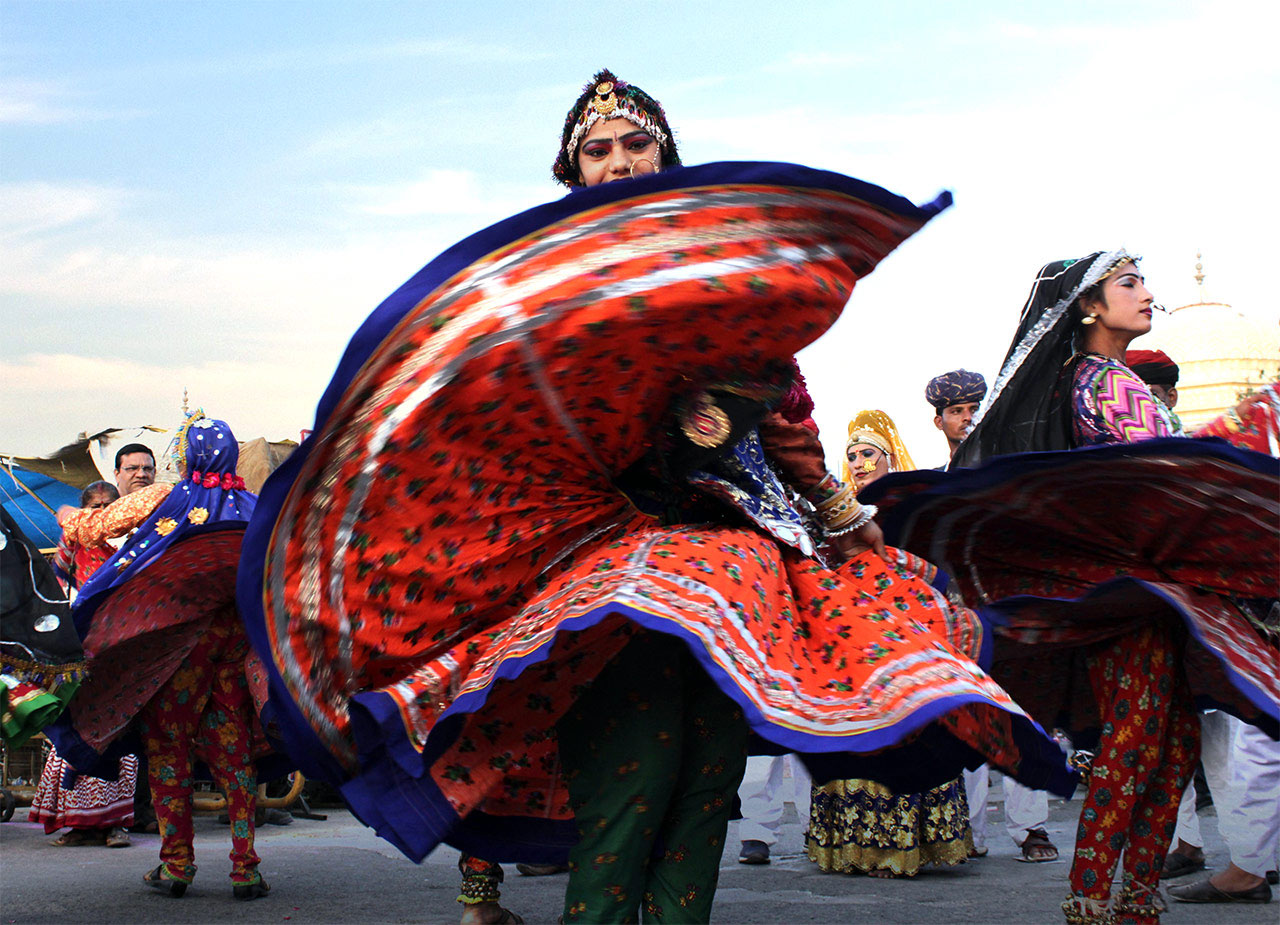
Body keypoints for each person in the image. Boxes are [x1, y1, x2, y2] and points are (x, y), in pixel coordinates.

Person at [239, 69, 1075, 925]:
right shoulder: (549, 298)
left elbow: (788, 421)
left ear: (667, 155)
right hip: (616, 567)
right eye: (597, 151)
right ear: (574, 176)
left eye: (637, 144)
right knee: (631, 788)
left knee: (706, 791)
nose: (619, 161)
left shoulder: (732, 278)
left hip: (743, 570)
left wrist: (845, 519)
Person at [951, 250, 1277, 923]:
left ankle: (1133, 902)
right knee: (1136, 747)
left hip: (1156, 592)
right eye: (1129, 283)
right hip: (1131, 596)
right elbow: (1165, 478)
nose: (1148, 293)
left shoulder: (1106, 378)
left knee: (1170, 748)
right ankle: (1097, 904)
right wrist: (1256, 420)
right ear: (1089, 306)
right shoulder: (1100, 382)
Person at [49, 411, 271, 900]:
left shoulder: (166, 496)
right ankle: (245, 868)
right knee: (234, 757)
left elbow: (93, 528)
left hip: (174, 655)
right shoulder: (259, 507)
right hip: (234, 652)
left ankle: (177, 866)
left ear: (185, 456)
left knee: (168, 752)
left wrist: (68, 516)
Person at [806, 410, 974, 878]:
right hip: (847, 637)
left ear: (888, 456)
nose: (858, 461)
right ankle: (857, 846)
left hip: (904, 631)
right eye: (852, 454)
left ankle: (905, 845)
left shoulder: (907, 505)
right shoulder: (832, 505)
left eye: (868, 453)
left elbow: (936, 568)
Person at [30, 480, 136, 849]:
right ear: (82, 510)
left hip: (120, 650)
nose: (100, 513)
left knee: (115, 736)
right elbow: (54, 594)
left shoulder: (132, 545)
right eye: (93, 507)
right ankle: (77, 823)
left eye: (108, 506)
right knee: (74, 733)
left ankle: (115, 824)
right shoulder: (70, 548)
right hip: (80, 650)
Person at [925, 369, 985, 460]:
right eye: (956, 411)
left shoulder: (1005, 469)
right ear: (939, 422)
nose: (968, 418)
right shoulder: (937, 473)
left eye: (974, 410)